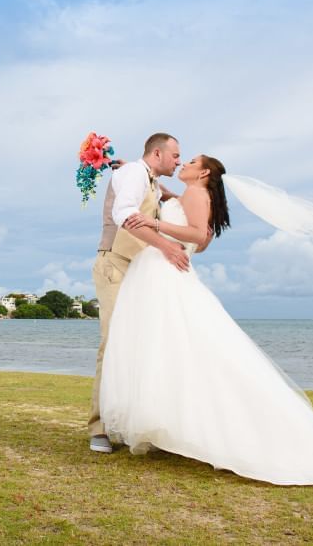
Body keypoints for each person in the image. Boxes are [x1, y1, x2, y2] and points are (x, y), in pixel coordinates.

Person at [99, 155, 313, 485]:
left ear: (203, 173)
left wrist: (154, 225)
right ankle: (170, 423)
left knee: (178, 345)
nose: (184, 161)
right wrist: (140, 173)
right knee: (169, 347)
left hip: (164, 270)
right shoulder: (190, 194)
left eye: (192, 161)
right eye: (179, 157)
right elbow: (174, 205)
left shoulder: (198, 195)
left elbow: (199, 235)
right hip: (156, 270)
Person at [88, 132, 191, 454]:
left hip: (140, 272)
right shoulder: (134, 172)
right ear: (157, 153)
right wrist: (168, 248)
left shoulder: (145, 178)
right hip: (115, 264)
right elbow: (125, 214)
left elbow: (161, 199)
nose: (179, 161)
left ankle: (131, 421)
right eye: (175, 156)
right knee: (113, 342)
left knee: (142, 346)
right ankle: (99, 428)